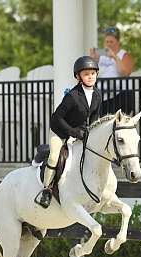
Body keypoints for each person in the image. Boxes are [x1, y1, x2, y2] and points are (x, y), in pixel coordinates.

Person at [35, 56, 102, 209]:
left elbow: (94, 118)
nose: (90, 77)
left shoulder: (97, 95)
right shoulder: (72, 96)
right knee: (53, 157)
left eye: (92, 73)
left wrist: (90, 134)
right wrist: (72, 132)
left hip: (79, 133)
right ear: (79, 77)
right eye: (86, 74)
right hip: (60, 132)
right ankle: (46, 190)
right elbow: (56, 118)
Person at [90, 27, 135, 115]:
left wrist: (114, 57)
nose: (109, 44)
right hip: (103, 96)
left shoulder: (125, 55)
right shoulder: (101, 57)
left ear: (118, 42)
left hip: (121, 95)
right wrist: (92, 59)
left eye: (111, 42)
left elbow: (124, 73)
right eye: (107, 42)